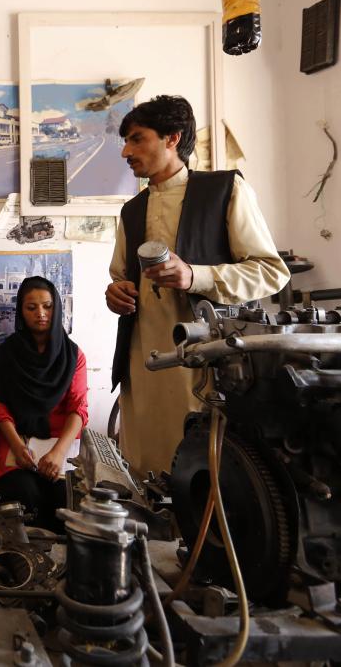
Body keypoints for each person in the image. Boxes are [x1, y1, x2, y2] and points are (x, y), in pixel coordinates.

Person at [106, 95, 289, 477]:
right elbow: (121, 278)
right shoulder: (132, 210)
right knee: (144, 472)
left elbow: (272, 272)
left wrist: (196, 276)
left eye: (137, 139)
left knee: (202, 478)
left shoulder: (225, 191)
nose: (126, 151)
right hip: (141, 367)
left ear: (172, 138)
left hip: (205, 369)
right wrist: (116, 294)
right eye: (125, 141)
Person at [0, 277, 87, 531]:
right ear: (21, 311)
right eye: (31, 308)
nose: (41, 314)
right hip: (16, 445)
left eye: (47, 306)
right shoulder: (5, 355)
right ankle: (23, 564)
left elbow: (79, 409)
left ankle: (58, 566)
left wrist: (58, 453)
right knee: (25, 496)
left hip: (59, 449)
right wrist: (19, 447)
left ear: (57, 308)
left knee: (63, 502)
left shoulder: (73, 356)